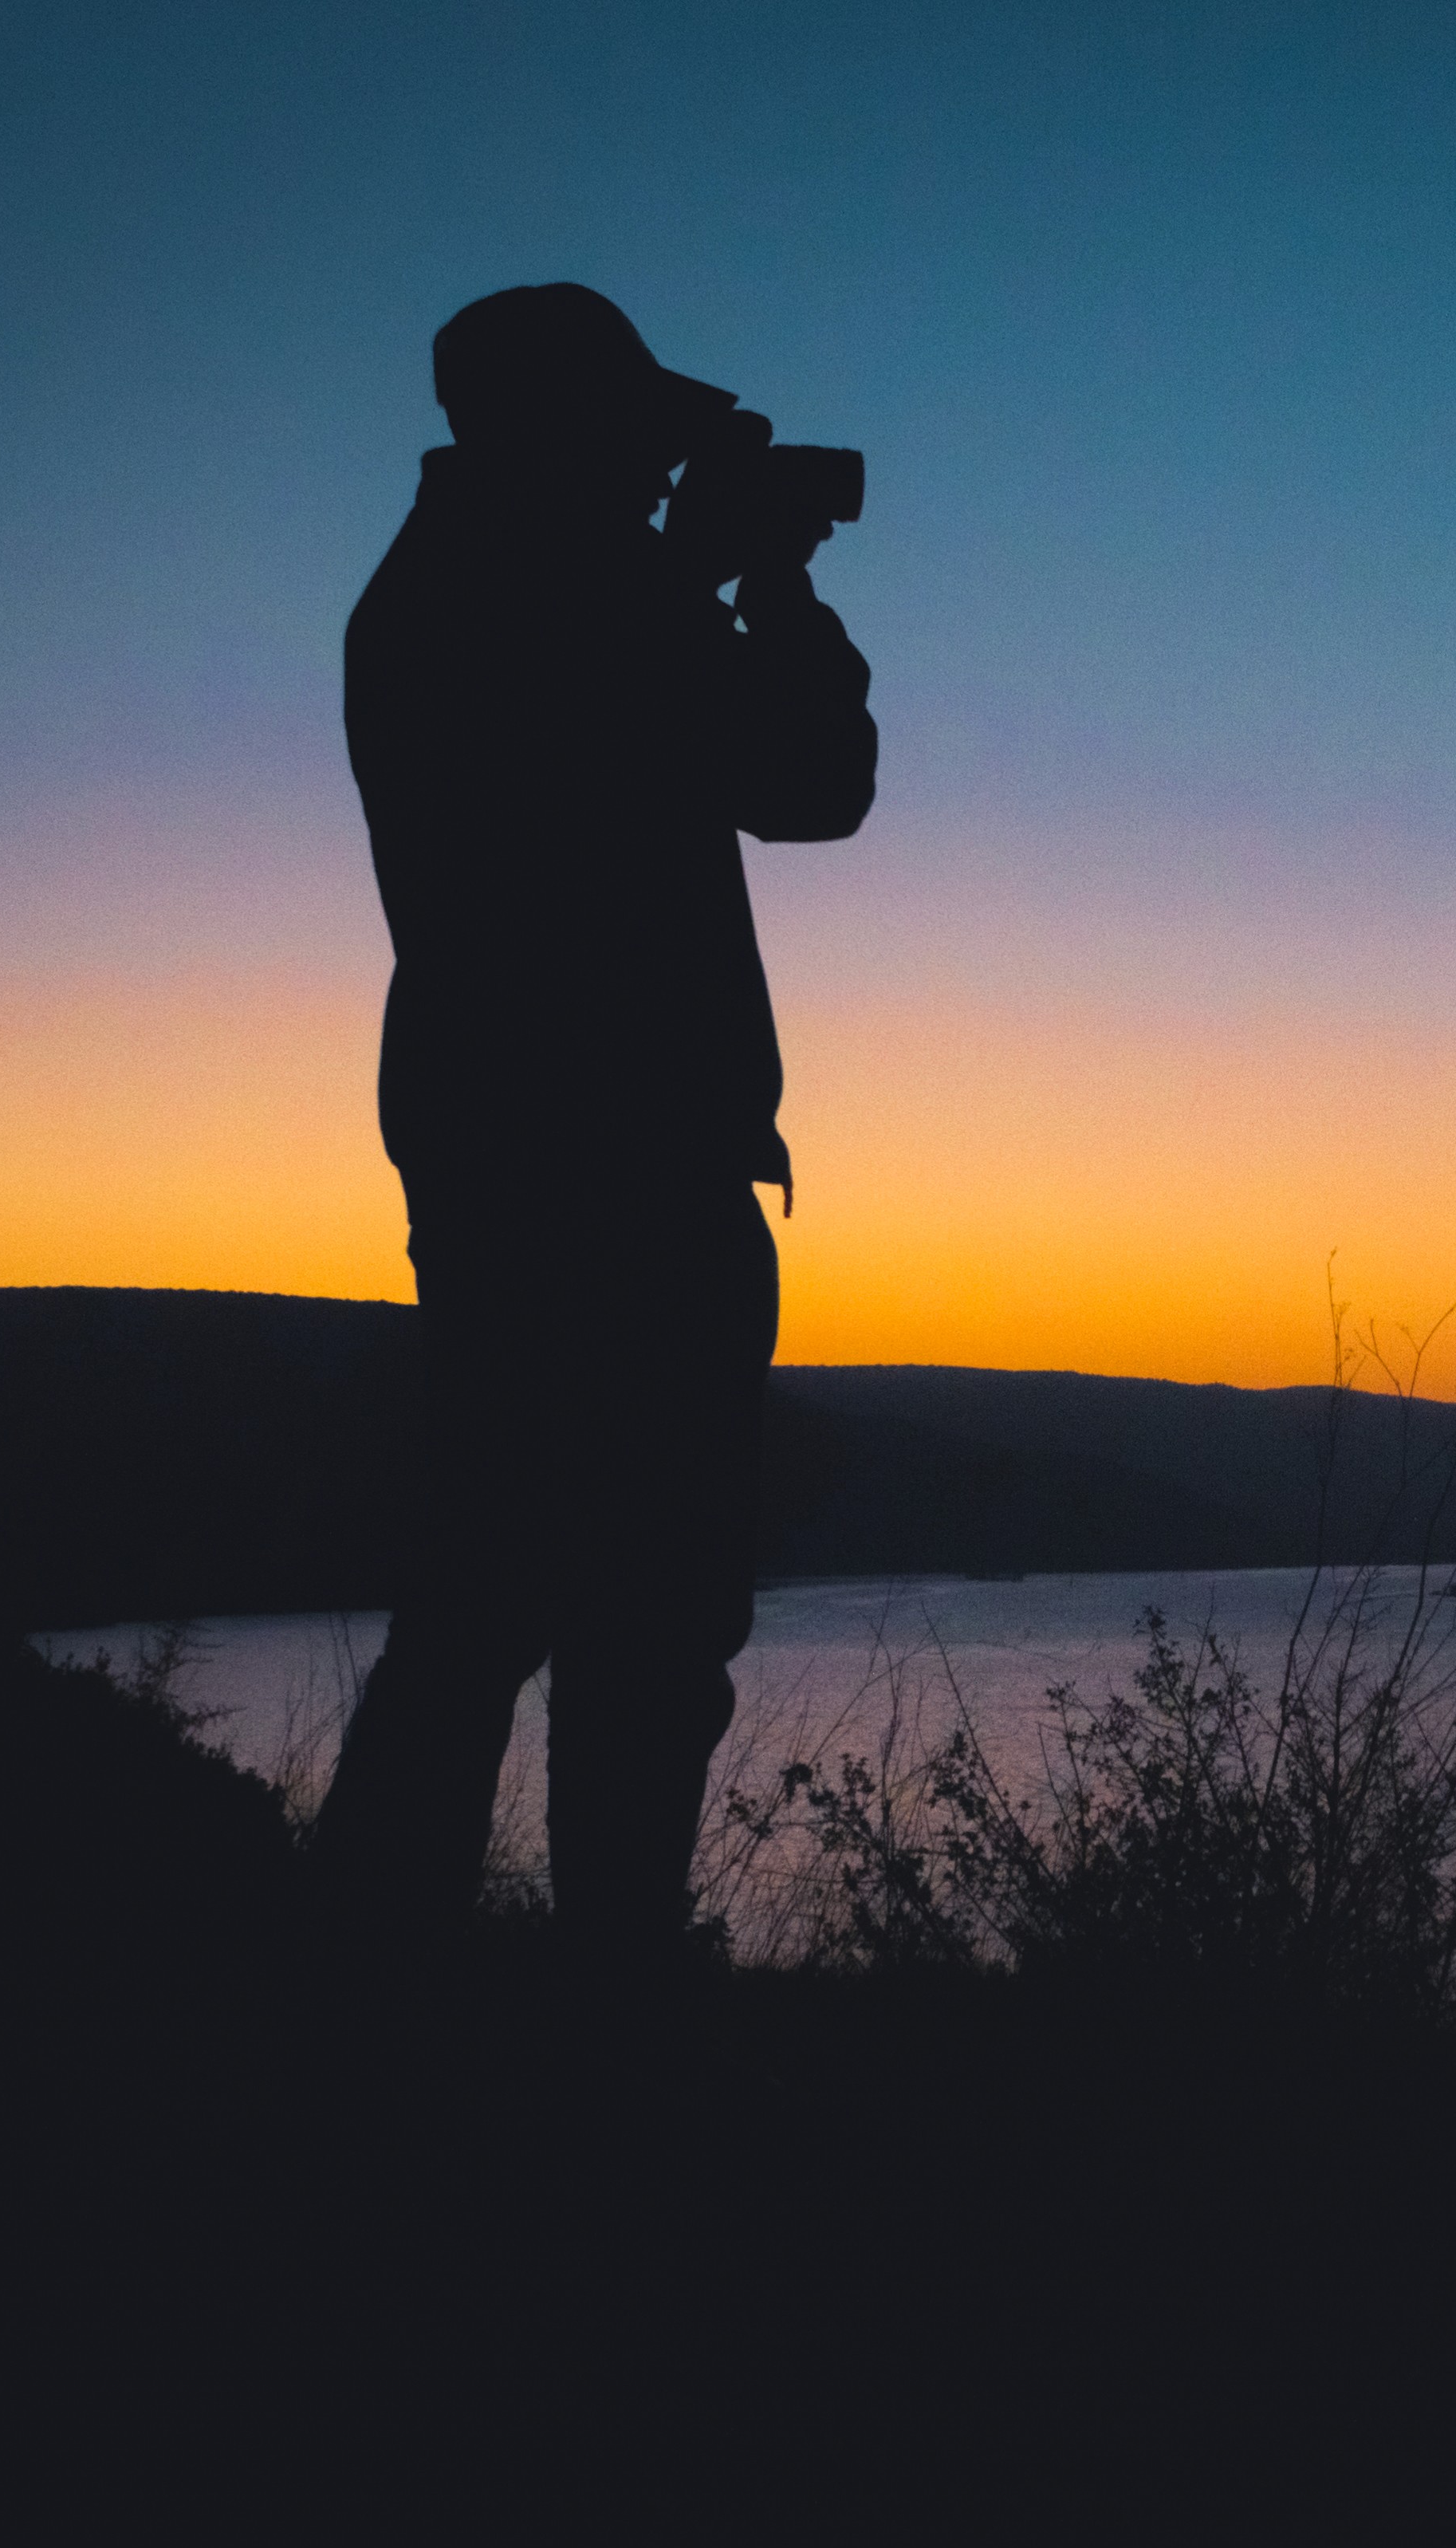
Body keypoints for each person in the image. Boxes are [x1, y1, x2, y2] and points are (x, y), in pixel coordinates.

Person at [315, 283, 875, 1943]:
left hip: (512, 1153)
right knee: (623, 1614)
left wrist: (698, 565)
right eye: (636, 433)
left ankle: (378, 1959)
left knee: (497, 1598)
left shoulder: (462, 590)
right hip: (613, 1168)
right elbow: (811, 783)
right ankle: (600, 1985)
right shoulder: (554, 595)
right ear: (561, 428)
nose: (657, 467)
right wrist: (759, 576)